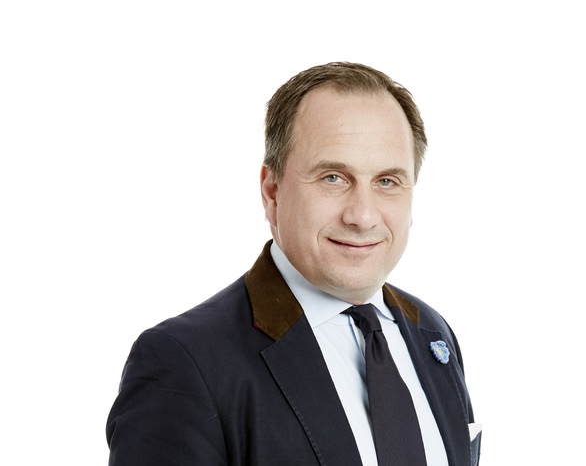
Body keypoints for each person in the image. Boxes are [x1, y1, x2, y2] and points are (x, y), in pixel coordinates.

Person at [106, 62, 480, 466]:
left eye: (387, 181)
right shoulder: (185, 363)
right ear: (272, 192)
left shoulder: (432, 334)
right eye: (333, 178)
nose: (363, 216)